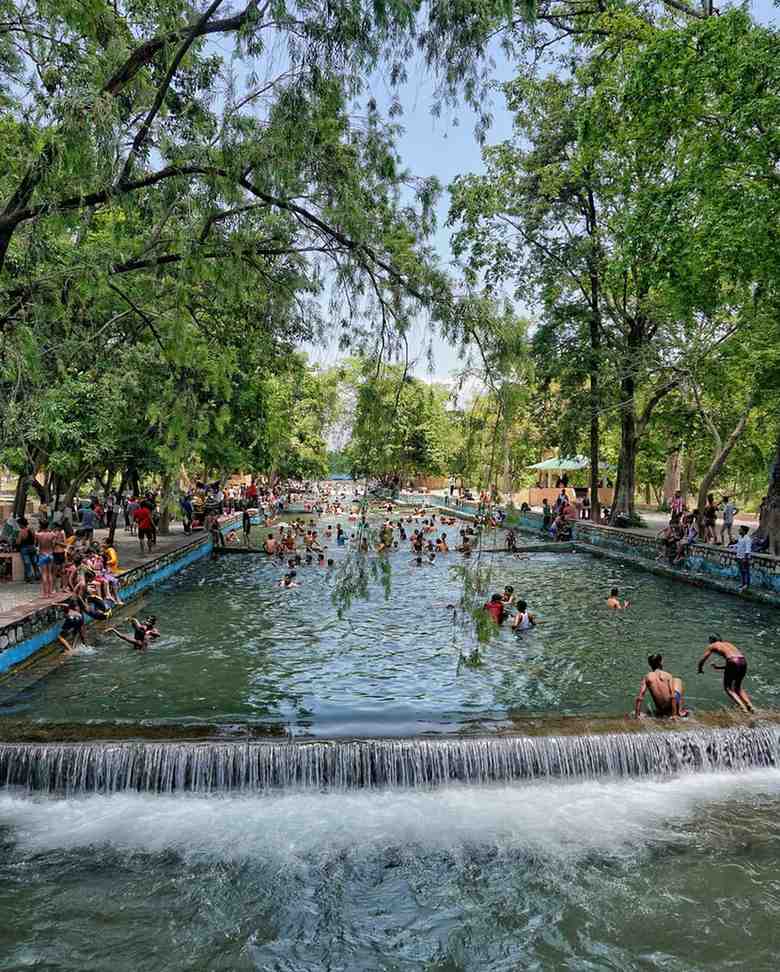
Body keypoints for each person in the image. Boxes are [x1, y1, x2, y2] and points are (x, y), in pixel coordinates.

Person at [697, 636, 754, 712]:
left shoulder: (712, 645)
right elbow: (736, 662)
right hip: (743, 661)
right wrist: (719, 667)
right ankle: (750, 705)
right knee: (738, 687)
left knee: (728, 688)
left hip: (732, 661)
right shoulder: (728, 644)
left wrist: (700, 669)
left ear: (711, 640)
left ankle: (742, 707)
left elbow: (703, 659)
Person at [633, 654, 688, 718]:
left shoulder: (647, 677)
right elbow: (672, 696)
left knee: (674, 681)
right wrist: (674, 715)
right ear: (660, 662)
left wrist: (637, 715)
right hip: (671, 706)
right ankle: (680, 711)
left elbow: (640, 697)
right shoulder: (668, 675)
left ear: (649, 664)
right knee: (678, 680)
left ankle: (663, 712)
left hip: (661, 708)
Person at [36, 518, 57, 598]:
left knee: (44, 574)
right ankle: (50, 592)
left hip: (42, 554)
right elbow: (53, 545)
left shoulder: (38, 535)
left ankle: (45, 593)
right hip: (50, 554)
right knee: (50, 574)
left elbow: (37, 545)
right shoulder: (52, 534)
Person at [15, 516, 40, 582]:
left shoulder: (21, 532)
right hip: (32, 547)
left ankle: (30, 577)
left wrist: (16, 540)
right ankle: (38, 575)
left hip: (24, 548)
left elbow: (18, 542)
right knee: (34, 562)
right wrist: (34, 545)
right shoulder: (31, 529)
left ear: (21, 524)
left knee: (27, 563)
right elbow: (35, 539)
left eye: (19, 524)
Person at [732, 524, 752, 592]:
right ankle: (743, 583)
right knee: (741, 571)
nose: (739, 530)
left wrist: (745, 559)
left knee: (746, 571)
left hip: (744, 558)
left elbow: (748, 550)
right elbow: (738, 546)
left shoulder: (747, 539)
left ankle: (747, 584)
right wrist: (732, 546)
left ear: (743, 531)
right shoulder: (740, 538)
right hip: (739, 557)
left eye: (740, 529)